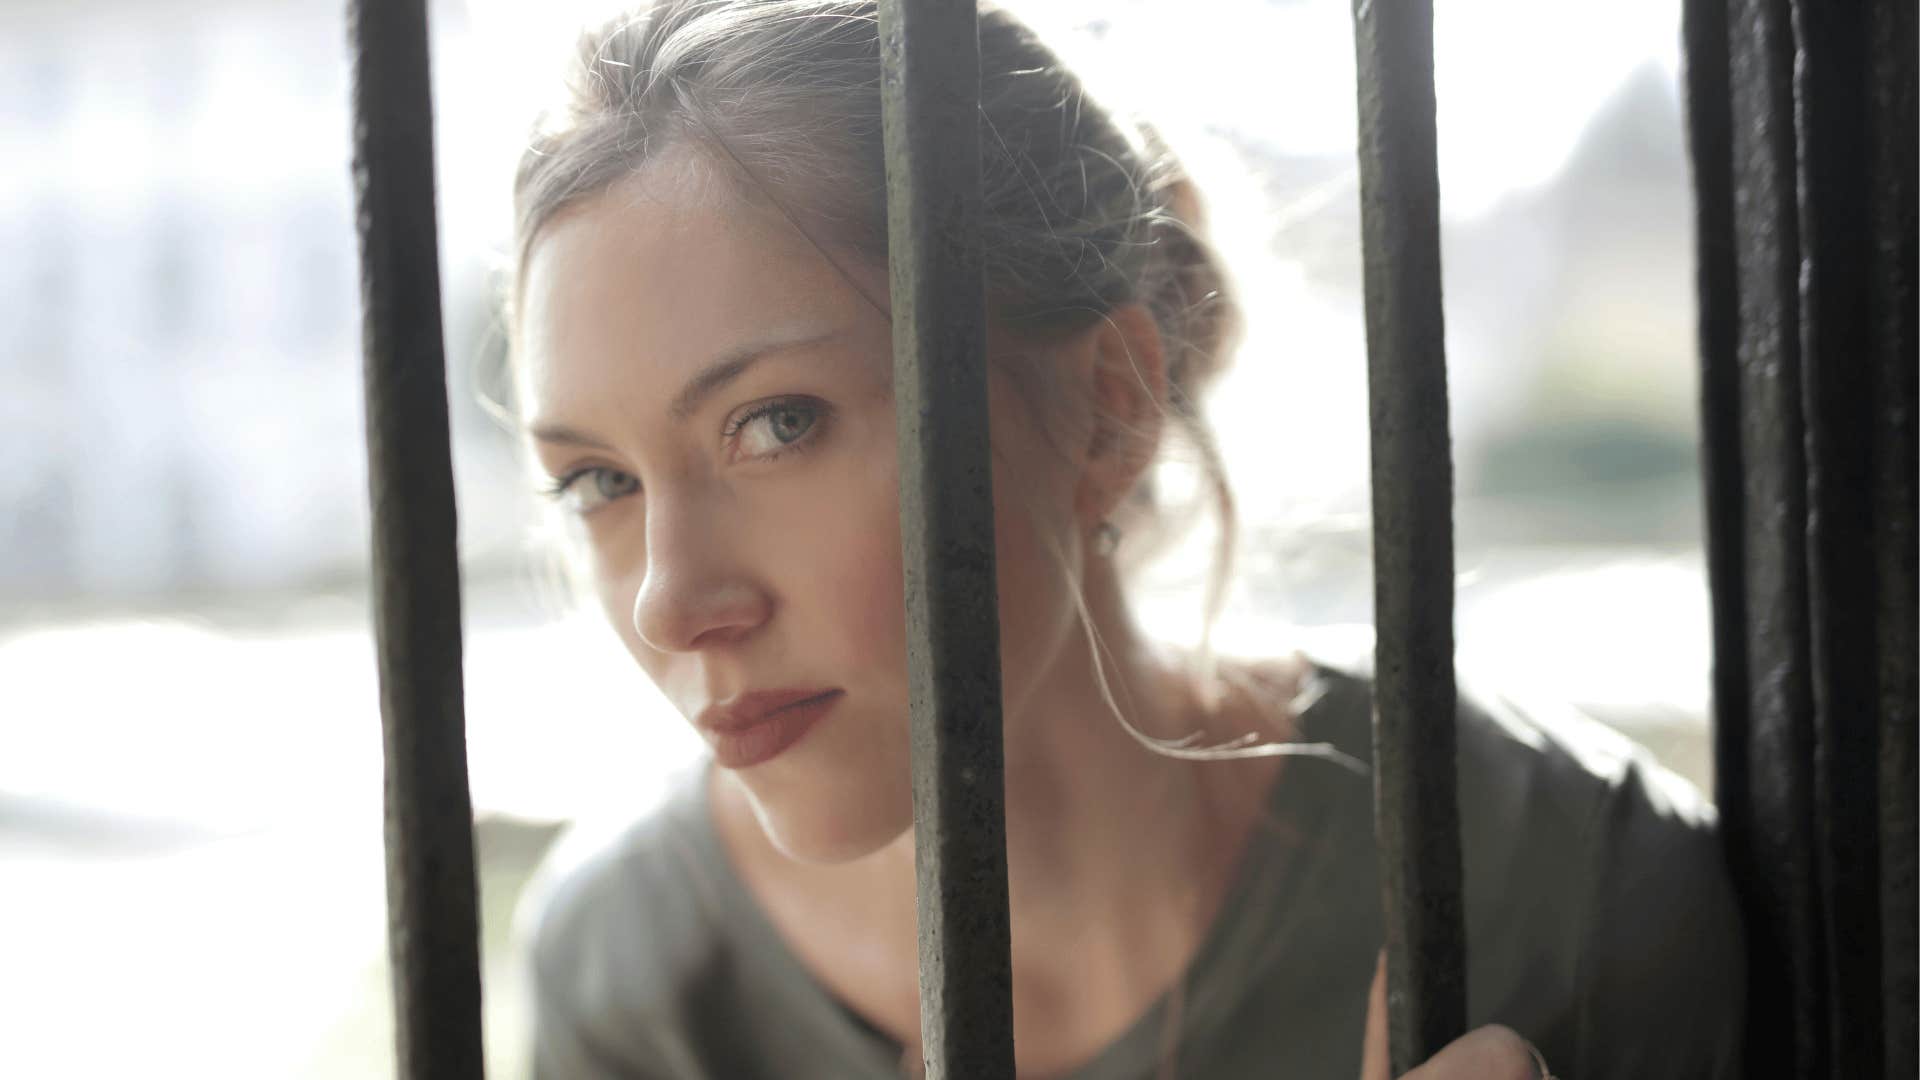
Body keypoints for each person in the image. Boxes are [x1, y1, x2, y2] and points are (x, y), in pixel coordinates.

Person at [504, 2, 1745, 1076]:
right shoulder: (634, 975)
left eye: (777, 423)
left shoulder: (1554, 891)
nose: (670, 602)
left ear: (1109, 403)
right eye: (599, 480)